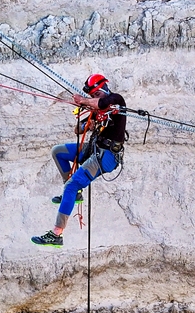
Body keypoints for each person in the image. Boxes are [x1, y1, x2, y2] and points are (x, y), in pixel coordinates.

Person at [32, 73, 127, 247]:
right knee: (58, 152)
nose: (94, 98)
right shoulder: (97, 109)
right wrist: (87, 125)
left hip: (105, 156)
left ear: (104, 89)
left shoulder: (116, 100)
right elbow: (78, 129)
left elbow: (102, 103)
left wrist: (84, 100)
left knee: (71, 185)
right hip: (94, 148)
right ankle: (73, 192)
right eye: (92, 95)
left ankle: (57, 234)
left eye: (96, 94)